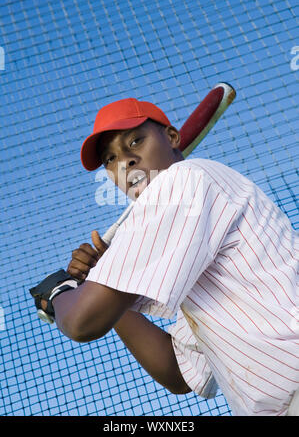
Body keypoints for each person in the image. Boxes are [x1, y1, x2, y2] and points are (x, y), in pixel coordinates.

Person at [35, 97, 298, 416]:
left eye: (135, 141)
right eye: (110, 159)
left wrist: (59, 293)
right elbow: (177, 373)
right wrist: (104, 277)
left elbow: (80, 322)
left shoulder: (183, 180)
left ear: (172, 138)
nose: (126, 162)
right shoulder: (184, 256)